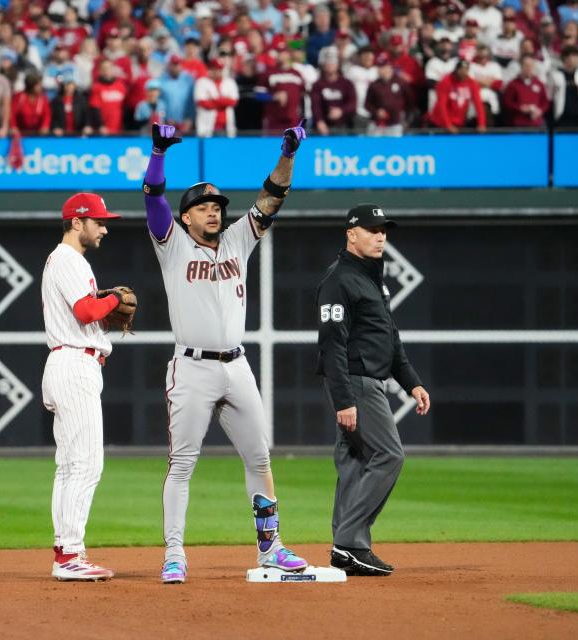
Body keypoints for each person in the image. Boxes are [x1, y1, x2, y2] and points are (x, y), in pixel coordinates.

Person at [142, 121, 311, 584]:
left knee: (260, 459)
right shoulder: (171, 245)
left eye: (217, 205)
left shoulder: (238, 239)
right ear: (187, 217)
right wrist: (159, 151)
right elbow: (153, 197)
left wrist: (288, 154)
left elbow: (272, 196)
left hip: (236, 367)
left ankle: (271, 548)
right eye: (203, 206)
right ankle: (174, 554)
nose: (213, 211)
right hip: (192, 368)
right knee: (181, 465)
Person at [316, 204, 430, 577]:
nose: (381, 235)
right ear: (351, 234)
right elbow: (331, 344)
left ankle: (346, 550)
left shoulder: (372, 279)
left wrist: (411, 381)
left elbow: (389, 339)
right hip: (357, 382)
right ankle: (349, 541)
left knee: (354, 464)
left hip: (368, 380)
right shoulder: (339, 280)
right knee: (389, 455)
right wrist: (345, 399)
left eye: (384, 229)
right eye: (372, 229)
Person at [42, 192, 123, 582]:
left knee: (69, 465)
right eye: (99, 221)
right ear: (77, 222)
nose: (105, 228)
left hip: (67, 360)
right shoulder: (69, 259)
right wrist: (114, 299)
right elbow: (86, 311)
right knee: (87, 463)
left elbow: (87, 314)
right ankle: (70, 556)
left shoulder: (65, 261)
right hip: (75, 363)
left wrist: (105, 304)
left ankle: (66, 549)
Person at [428, 59, 486, 133]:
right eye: (461, 70)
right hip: (440, 123)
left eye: (466, 70)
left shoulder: (472, 83)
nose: (463, 72)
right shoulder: (445, 82)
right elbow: (442, 105)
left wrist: (481, 123)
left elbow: (478, 104)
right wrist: (448, 125)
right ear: (456, 70)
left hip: (459, 123)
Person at [193, 58, 238, 137]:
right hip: (207, 126)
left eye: (220, 69)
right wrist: (224, 101)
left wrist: (213, 100)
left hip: (226, 127)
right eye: (215, 69)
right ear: (210, 69)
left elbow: (233, 101)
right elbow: (203, 103)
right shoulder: (201, 82)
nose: (218, 71)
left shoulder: (229, 82)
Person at [502, 54, 549, 126]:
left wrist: (540, 111)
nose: (529, 68)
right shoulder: (513, 84)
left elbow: (545, 102)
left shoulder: (539, 83)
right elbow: (507, 103)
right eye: (526, 65)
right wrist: (520, 108)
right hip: (518, 124)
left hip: (537, 123)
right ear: (521, 66)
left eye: (531, 65)